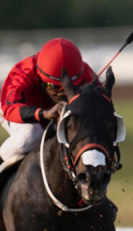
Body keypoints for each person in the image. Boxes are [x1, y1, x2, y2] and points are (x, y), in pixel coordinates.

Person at [0, 38, 97, 167]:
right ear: (41, 77)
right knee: (31, 136)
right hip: (20, 111)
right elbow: (10, 109)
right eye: (55, 87)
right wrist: (44, 114)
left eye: (69, 86)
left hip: (54, 112)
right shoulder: (23, 72)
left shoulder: (85, 74)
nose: (62, 93)